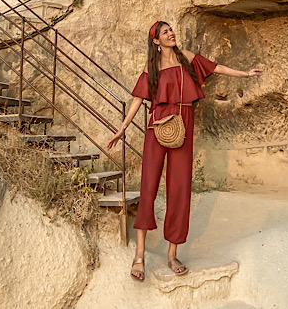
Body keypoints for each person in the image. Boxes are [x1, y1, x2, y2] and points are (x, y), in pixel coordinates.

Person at [107, 20, 263, 281]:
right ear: (156, 41)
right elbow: (138, 98)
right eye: (165, 32)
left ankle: (172, 254)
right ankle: (139, 254)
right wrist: (122, 128)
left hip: (184, 123)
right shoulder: (152, 65)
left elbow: (216, 67)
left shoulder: (185, 57)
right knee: (148, 186)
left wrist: (246, 74)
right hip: (158, 125)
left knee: (180, 188)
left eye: (171, 30)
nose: (171, 33)